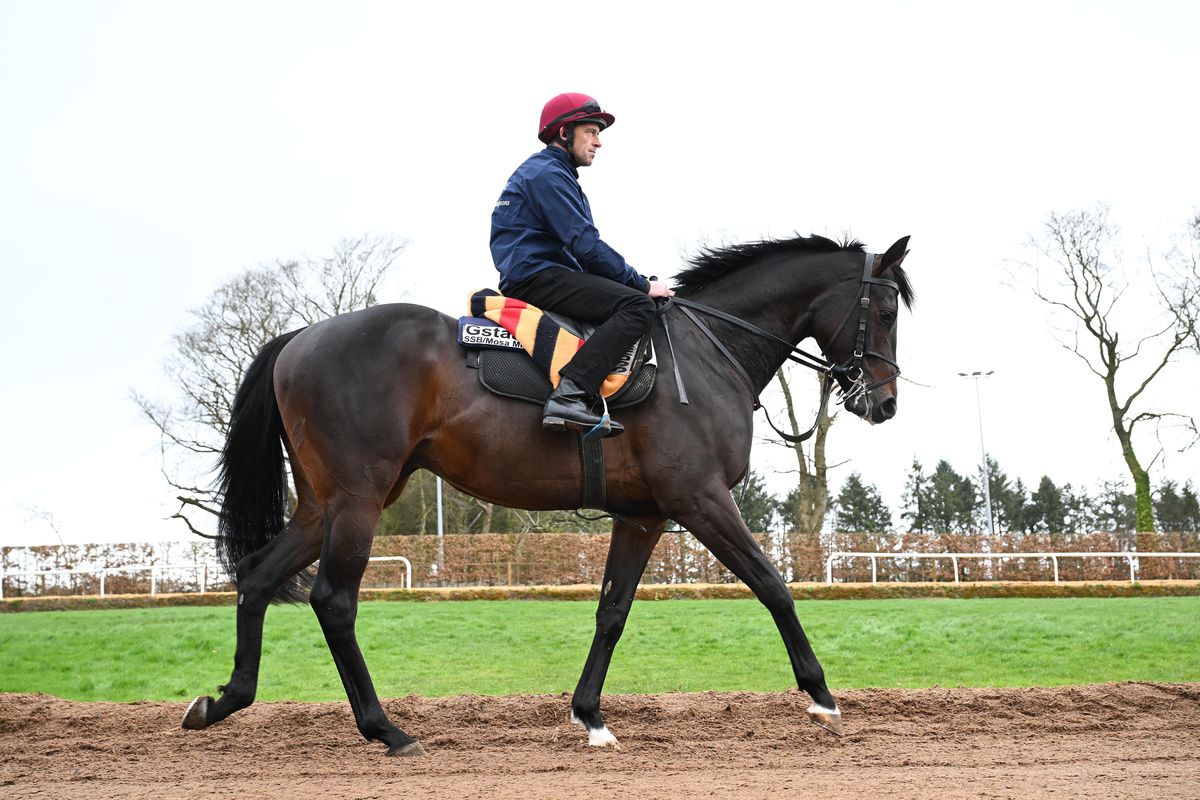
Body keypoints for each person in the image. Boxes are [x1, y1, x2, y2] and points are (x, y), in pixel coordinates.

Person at [490, 92, 674, 438]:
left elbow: (581, 251)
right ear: (564, 133)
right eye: (590, 131)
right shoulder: (546, 175)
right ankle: (570, 394)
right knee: (636, 306)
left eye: (598, 133)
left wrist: (629, 279)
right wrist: (641, 286)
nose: (598, 142)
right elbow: (586, 245)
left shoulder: (552, 173)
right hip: (537, 276)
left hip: (544, 272)